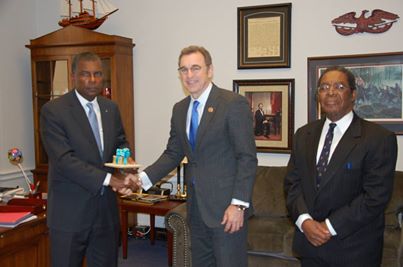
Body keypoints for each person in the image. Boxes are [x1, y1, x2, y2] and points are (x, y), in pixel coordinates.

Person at [138, 45, 257, 266]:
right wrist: (141, 179)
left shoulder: (232, 104)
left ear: (209, 70)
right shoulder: (180, 109)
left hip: (226, 210)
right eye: (183, 69)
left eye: (195, 68)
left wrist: (239, 205)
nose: (189, 75)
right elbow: (173, 153)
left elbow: (247, 157)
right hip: (196, 210)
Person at [284, 66, 398, 267]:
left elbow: (375, 197)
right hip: (309, 245)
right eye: (324, 87)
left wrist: (328, 227)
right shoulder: (303, 135)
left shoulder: (378, 138)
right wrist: (305, 221)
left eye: (339, 86)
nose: (330, 92)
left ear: (353, 94)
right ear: (318, 95)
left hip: (354, 249)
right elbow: (292, 184)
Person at [40, 52, 141, 267]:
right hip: (69, 214)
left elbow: (120, 143)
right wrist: (110, 180)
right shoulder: (54, 111)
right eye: (85, 74)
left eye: (97, 74)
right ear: (73, 76)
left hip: (105, 213)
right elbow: (65, 160)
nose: (92, 80)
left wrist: (127, 168)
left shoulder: (110, 108)